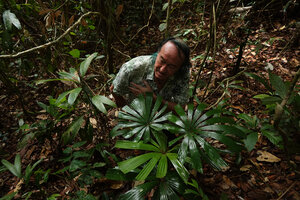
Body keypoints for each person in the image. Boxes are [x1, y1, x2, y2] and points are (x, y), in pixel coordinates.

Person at [110, 37, 191, 111]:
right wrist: (129, 113)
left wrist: (152, 98)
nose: (163, 69)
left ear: (180, 67)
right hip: (137, 115)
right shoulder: (133, 68)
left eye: (171, 66)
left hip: (163, 117)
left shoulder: (182, 73)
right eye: (162, 61)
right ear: (157, 54)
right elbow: (115, 90)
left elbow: (180, 109)